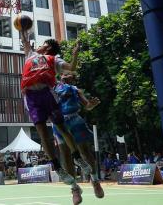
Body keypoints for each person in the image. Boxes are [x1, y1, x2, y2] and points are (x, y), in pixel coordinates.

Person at [19, 30, 84, 185]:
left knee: (61, 127)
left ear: (47, 49)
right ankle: (57, 166)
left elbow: (71, 67)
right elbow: (24, 39)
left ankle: (77, 158)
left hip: (47, 93)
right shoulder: (30, 55)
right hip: (31, 96)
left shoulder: (54, 59)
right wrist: (22, 29)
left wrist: (75, 55)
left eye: (43, 44)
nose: (40, 45)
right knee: (42, 133)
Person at [51, 71, 105, 204]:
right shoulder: (53, 88)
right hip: (59, 123)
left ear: (73, 79)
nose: (65, 75)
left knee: (85, 152)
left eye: (70, 74)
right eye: (64, 73)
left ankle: (95, 180)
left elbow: (87, 106)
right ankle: (75, 188)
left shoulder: (76, 90)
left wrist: (91, 105)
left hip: (75, 120)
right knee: (66, 156)